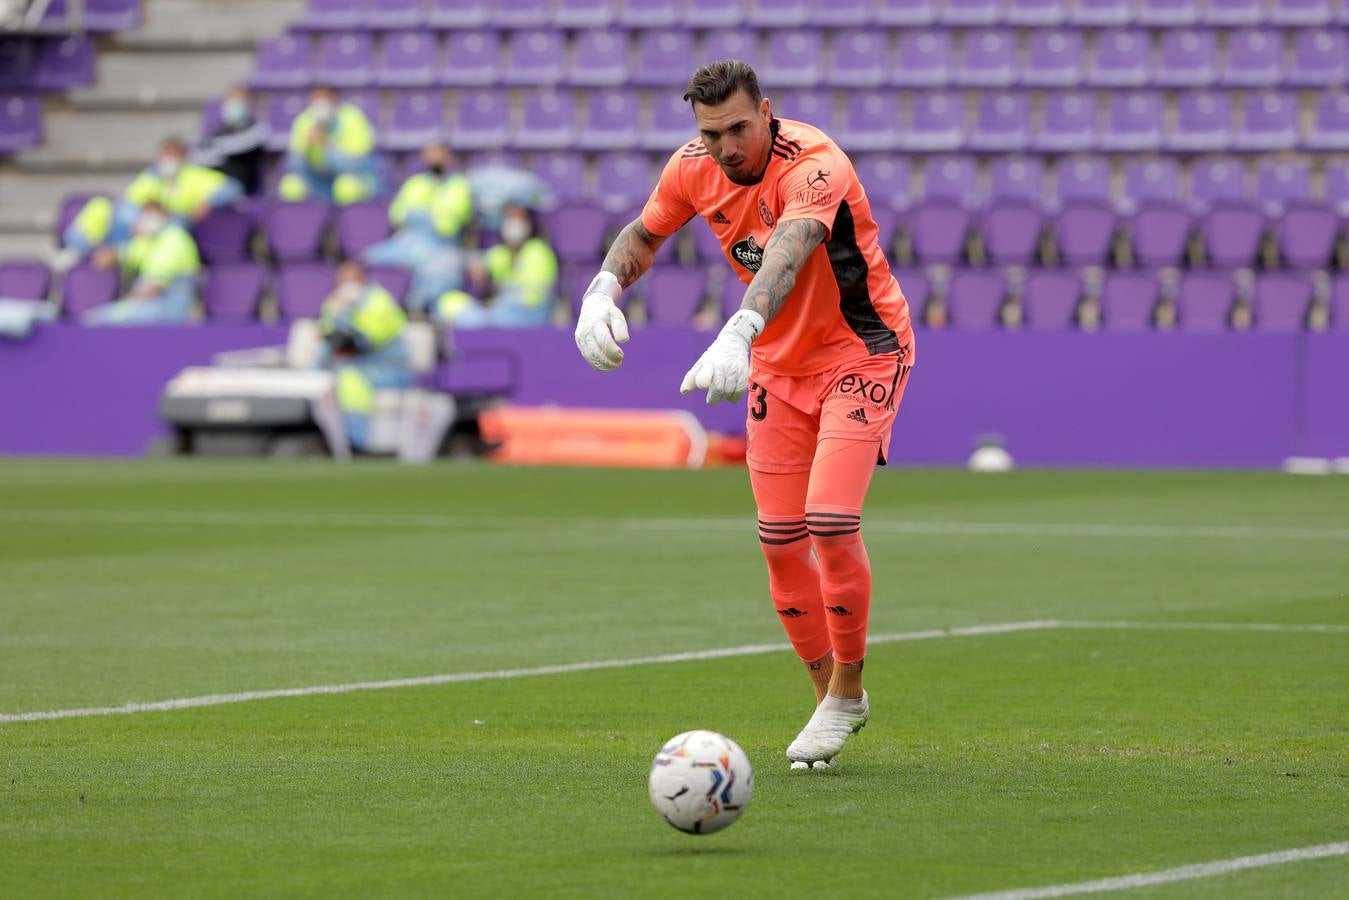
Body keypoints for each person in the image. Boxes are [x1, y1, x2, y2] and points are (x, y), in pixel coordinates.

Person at [573, 61, 916, 769]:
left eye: (737, 128)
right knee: (779, 537)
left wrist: (738, 330)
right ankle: (829, 698)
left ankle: (849, 689)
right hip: (778, 367)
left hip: (861, 350)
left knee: (829, 519)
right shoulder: (692, 166)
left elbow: (785, 258)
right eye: (710, 133)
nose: (727, 146)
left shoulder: (814, 164)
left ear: (766, 112)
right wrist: (601, 291)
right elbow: (643, 233)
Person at [64, 137, 244, 256]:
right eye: (166, 154)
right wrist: (138, 221)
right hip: (143, 221)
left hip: (176, 223)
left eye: (173, 155)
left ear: (183, 157)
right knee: (101, 206)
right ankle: (76, 249)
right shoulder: (151, 176)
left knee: (163, 229)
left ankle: (117, 253)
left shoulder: (194, 176)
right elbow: (130, 202)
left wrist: (209, 201)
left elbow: (233, 187)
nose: (168, 159)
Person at [363, 141, 473, 313]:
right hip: (408, 242)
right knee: (367, 258)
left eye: (438, 154)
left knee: (438, 279)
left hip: (441, 246)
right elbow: (397, 214)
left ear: (448, 157)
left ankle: (419, 311)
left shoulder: (459, 185)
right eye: (429, 154)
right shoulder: (415, 183)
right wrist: (430, 215)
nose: (434, 159)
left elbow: (449, 225)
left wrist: (420, 214)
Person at [317, 261, 413, 450]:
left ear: (362, 280)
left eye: (350, 280)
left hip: (389, 368)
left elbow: (363, 341)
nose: (346, 286)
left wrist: (343, 314)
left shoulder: (379, 301)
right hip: (354, 363)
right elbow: (328, 337)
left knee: (350, 381)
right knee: (324, 376)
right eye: (342, 281)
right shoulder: (335, 301)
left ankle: (356, 445)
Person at [437, 205, 557, 329]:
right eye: (510, 218)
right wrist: (478, 269)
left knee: (477, 319)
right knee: (450, 303)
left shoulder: (538, 251)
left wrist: (495, 305)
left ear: (529, 224)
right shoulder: (503, 252)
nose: (514, 224)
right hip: (497, 314)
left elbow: (533, 299)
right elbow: (482, 262)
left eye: (519, 219)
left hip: (530, 316)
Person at [83, 201, 201, 326]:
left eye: (153, 216)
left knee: (101, 319)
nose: (148, 220)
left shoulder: (174, 238)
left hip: (172, 309)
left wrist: (126, 306)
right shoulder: (150, 240)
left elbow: (152, 288)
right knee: (96, 317)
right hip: (154, 302)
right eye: (145, 216)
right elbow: (120, 253)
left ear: (165, 216)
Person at [279, 86, 380, 206]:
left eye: (323, 98)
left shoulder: (352, 117)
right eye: (315, 98)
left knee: (346, 187)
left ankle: (350, 222)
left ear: (334, 98)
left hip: (352, 176)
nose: (319, 103)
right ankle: (302, 223)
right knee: (290, 186)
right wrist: (311, 150)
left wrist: (327, 149)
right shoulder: (304, 119)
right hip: (315, 179)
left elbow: (358, 162)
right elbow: (294, 161)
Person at [192, 86, 269, 196]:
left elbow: (240, 145)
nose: (234, 105)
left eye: (239, 101)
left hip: (239, 186)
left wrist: (216, 149)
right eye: (231, 101)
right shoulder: (218, 132)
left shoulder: (257, 129)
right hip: (214, 182)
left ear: (248, 104)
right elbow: (196, 156)